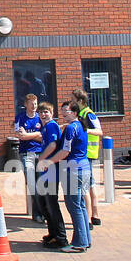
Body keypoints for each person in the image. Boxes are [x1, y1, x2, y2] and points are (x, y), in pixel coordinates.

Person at [44, 101, 90, 252]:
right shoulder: (81, 126)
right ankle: (85, 239)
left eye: (67, 111)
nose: (64, 113)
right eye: (62, 110)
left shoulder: (71, 128)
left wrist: (49, 161)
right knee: (80, 204)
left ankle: (79, 243)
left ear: (75, 112)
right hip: (84, 167)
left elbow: (65, 151)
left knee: (73, 205)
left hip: (73, 168)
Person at [32, 102, 67, 248]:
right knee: (44, 202)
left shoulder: (52, 126)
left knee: (51, 203)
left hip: (51, 169)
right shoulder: (46, 127)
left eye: (46, 112)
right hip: (46, 169)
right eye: (41, 112)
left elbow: (53, 145)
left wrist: (42, 159)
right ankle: (52, 233)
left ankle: (60, 237)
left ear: (51, 113)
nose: (43, 114)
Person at [70, 89, 103, 226]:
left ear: (81, 101)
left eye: (73, 100)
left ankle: (89, 217)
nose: (71, 102)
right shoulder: (80, 114)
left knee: (86, 187)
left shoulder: (88, 114)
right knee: (90, 185)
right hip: (84, 154)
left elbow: (99, 131)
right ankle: (94, 215)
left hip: (87, 154)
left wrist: (85, 129)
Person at [14, 92, 45, 225]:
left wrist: (29, 135)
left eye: (36, 104)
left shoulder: (40, 118)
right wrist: (34, 135)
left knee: (42, 184)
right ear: (25, 104)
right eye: (31, 104)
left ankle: (42, 212)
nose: (34, 106)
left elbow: (44, 136)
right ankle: (37, 213)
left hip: (41, 153)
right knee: (32, 184)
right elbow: (20, 135)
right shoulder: (20, 118)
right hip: (26, 154)